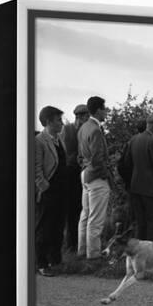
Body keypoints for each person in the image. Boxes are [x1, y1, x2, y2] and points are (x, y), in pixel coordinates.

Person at [77, 96, 111, 261]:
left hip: (85, 173)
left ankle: (82, 251)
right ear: (98, 110)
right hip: (96, 175)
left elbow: (82, 154)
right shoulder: (96, 130)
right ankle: (94, 255)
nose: (106, 112)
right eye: (105, 109)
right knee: (96, 218)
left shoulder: (83, 127)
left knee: (86, 215)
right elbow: (98, 159)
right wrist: (105, 174)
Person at [35, 106, 68, 276]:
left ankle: (55, 260)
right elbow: (36, 168)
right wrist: (43, 186)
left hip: (60, 190)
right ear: (48, 122)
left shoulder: (57, 139)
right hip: (49, 191)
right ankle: (41, 263)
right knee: (44, 227)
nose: (61, 123)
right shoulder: (39, 140)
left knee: (58, 226)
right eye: (58, 120)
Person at [126, 114, 153, 241]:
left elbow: (127, 164)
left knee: (140, 223)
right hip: (150, 188)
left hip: (135, 187)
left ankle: (139, 253)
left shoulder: (133, 140)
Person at [61, 104, 89, 252]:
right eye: (84, 117)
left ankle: (78, 243)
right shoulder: (68, 129)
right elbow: (65, 153)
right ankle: (71, 243)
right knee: (73, 209)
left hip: (80, 172)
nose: (85, 119)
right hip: (71, 172)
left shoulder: (81, 130)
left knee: (81, 209)